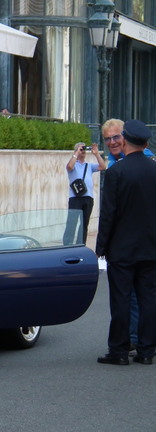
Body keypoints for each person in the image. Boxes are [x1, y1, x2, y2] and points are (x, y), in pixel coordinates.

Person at [96, 119, 156, 366]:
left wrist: (101, 246)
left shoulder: (115, 173)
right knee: (149, 299)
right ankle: (147, 351)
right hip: (151, 248)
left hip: (122, 249)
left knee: (120, 300)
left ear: (126, 141)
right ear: (147, 142)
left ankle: (119, 350)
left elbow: (109, 213)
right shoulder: (154, 169)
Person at [62, 141, 105, 245]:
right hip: (75, 198)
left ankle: (80, 244)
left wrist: (96, 153)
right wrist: (76, 153)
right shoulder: (73, 164)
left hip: (88, 198)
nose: (83, 151)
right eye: (81, 149)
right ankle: (67, 244)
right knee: (72, 222)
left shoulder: (89, 165)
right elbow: (69, 167)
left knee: (84, 223)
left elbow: (103, 167)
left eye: (84, 149)